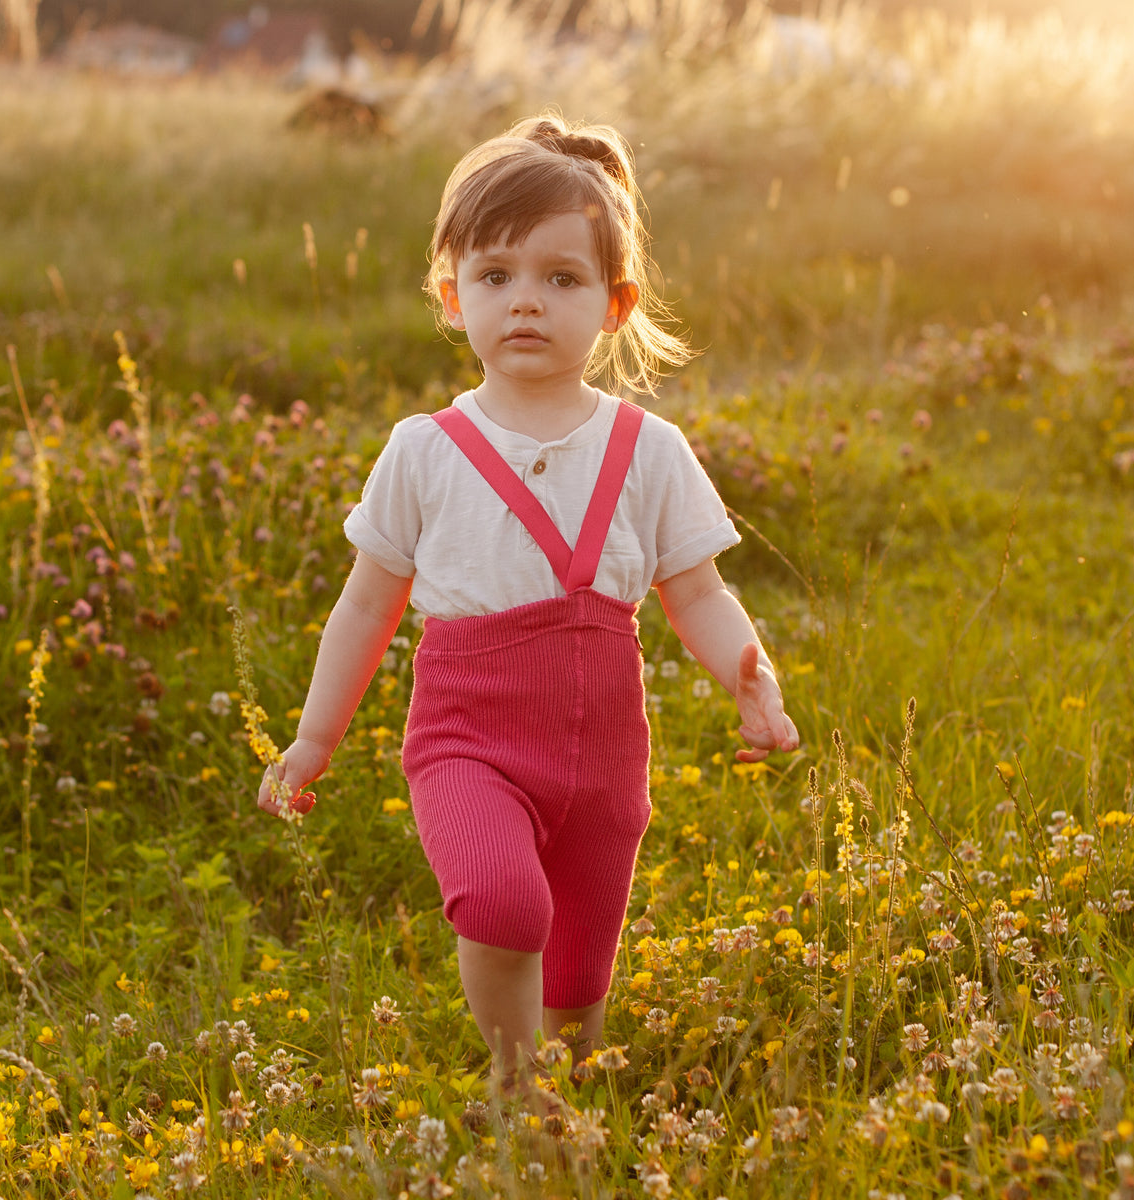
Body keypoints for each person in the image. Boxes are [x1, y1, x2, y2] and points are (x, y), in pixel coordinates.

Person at [257, 113, 799, 1100]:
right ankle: (515, 1088)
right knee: (504, 904)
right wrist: (313, 737)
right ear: (452, 293)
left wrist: (749, 680)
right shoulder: (424, 451)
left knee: (581, 970)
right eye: (496, 275)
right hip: (467, 737)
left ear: (615, 304)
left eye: (562, 279)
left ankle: (568, 1100)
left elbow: (699, 591)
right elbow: (366, 604)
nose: (526, 302)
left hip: (604, 758)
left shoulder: (649, 450)